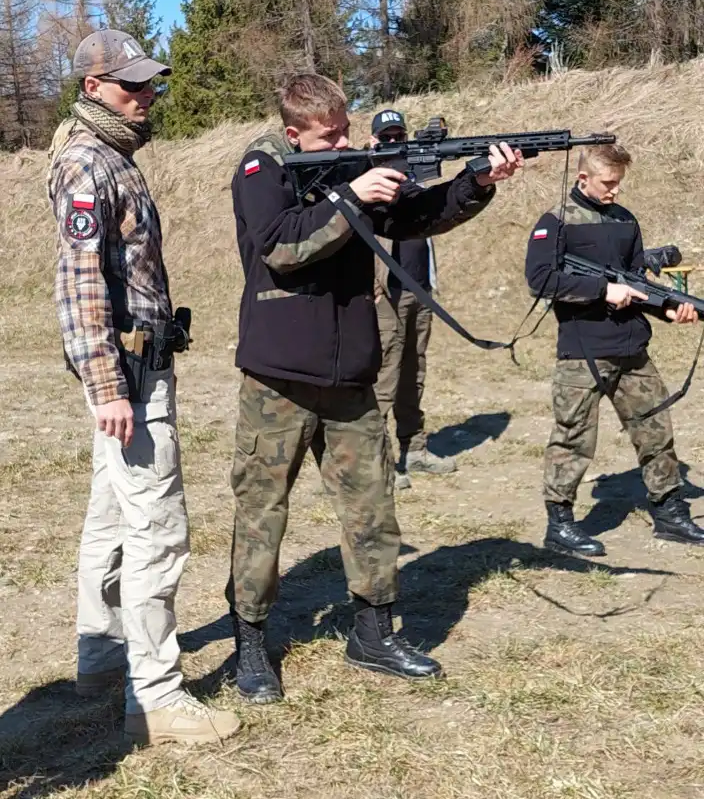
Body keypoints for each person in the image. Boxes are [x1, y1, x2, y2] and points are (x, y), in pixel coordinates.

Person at [226, 74, 523, 704]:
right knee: (261, 514)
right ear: (293, 133)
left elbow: (415, 217)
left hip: (352, 376)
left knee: (372, 509)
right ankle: (251, 644)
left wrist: (475, 183)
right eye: (327, 137)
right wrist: (351, 196)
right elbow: (281, 247)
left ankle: (374, 633)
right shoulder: (262, 168)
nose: (342, 144)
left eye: (345, 132)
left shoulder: (351, 169)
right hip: (279, 375)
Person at [47, 30, 240, 747]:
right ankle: (156, 696)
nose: (147, 96)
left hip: (131, 371)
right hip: (127, 375)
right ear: (93, 87)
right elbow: (80, 290)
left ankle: (99, 659)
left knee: (111, 516)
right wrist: (109, 386)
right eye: (131, 85)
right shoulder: (86, 165)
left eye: (151, 84)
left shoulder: (110, 156)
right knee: (158, 528)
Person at [525, 142, 704, 557]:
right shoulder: (556, 222)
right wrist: (602, 290)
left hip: (631, 347)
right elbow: (540, 280)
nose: (615, 192)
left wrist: (671, 310)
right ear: (582, 177)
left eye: (619, 183)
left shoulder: (625, 220)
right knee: (573, 438)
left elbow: (637, 283)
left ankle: (669, 512)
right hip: (582, 350)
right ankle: (561, 523)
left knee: (656, 431)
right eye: (608, 183)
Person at [369, 109, 457, 490]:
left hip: (420, 288)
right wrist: (372, 158)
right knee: (384, 376)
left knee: (414, 372)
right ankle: (378, 460)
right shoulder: (367, 177)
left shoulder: (417, 174)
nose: (393, 143)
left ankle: (415, 448)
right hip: (386, 292)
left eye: (398, 136)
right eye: (385, 138)